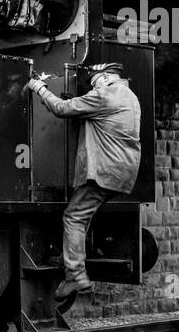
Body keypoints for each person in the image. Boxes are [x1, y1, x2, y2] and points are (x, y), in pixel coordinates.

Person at [23, 62, 141, 302]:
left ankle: (76, 274)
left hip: (103, 170)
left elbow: (61, 109)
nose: (93, 86)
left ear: (107, 77)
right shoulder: (129, 96)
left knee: (74, 217)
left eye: (95, 81)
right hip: (122, 172)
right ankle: (74, 263)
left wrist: (39, 87)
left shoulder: (105, 94)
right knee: (82, 216)